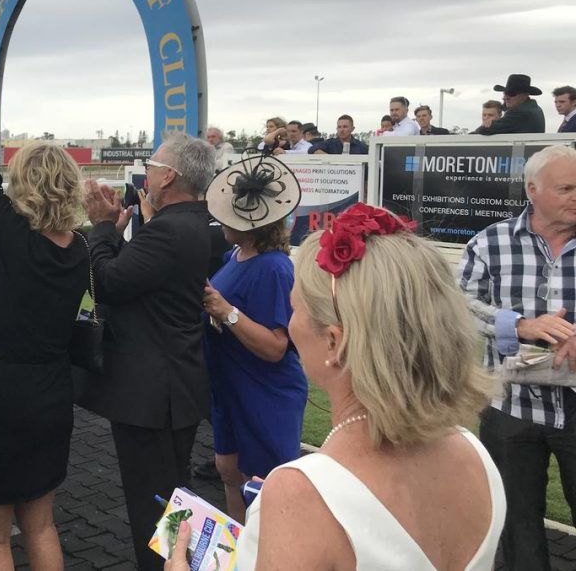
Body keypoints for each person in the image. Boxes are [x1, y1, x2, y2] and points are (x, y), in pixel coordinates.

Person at [233, 204, 503, 569]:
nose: (290, 323)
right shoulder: (474, 454)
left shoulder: (299, 494)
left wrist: (295, 501)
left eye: (294, 309)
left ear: (335, 342)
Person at [0, 22, 90, 570]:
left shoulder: (10, 237)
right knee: (41, 524)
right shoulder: (80, 250)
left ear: (22, 184)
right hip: (52, 397)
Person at [76, 131, 215, 571]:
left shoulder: (169, 229)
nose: (146, 176)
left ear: (169, 176)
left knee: (153, 507)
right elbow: (137, 278)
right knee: (173, 500)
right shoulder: (192, 223)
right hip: (171, 388)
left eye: (152, 167)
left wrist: (101, 227)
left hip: (152, 395)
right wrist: (115, 236)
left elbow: (108, 283)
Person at [459, 145, 576, 569]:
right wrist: (518, 325)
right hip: (510, 405)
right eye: (566, 188)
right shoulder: (490, 242)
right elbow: (460, 304)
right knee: (516, 522)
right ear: (532, 189)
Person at [200, 153, 307, 523]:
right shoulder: (236, 255)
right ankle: (242, 549)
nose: (221, 221)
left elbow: (276, 347)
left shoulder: (274, 268)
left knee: (266, 492)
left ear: (253, 226)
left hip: (265, 393)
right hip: (232, 388)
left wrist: (224, 311)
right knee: (230, 474)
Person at [477, 74, 546, 135]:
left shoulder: (520, 113)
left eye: (511, 93)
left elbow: (485, 130)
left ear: (525, 95)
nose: (505, 97)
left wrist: (489, 124)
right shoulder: (533, 108)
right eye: (505, 93)